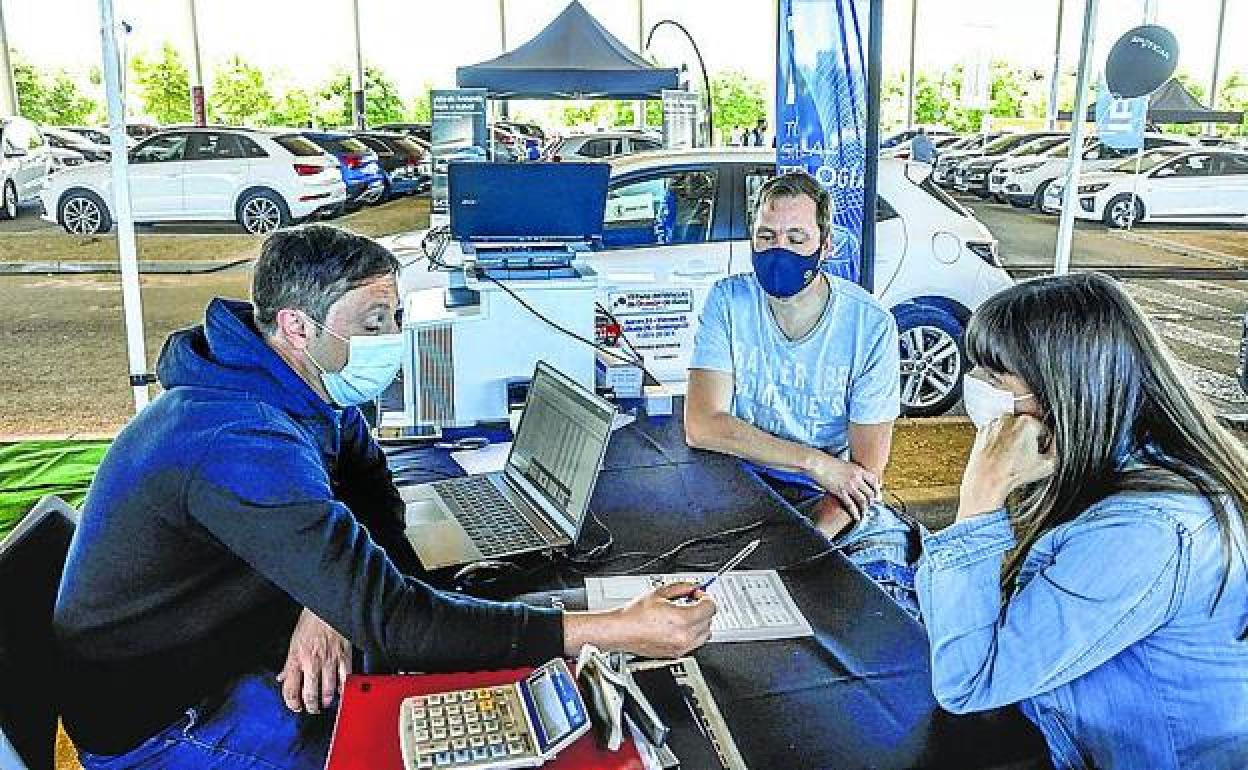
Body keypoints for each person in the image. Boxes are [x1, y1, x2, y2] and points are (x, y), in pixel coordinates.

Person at [53, 225, 716, 770]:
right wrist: (613, 631)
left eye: (395, 314)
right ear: (297, 325)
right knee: (410, 743)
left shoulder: (303, 386)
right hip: (168, 716)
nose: (393, 334)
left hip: (228, 645)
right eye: (375, 319)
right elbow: (394, 619)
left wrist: (330, 598)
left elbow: (372, 496)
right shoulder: (235, 435)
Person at [917, 272, 1248, 769]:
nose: (979, 391)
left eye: (996, 377)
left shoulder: (1145, 533)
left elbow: (970, 680)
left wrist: (980, 497)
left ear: (1068, 390)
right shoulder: (1104, 464)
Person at [684, 171, 921, 615]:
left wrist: (800, 543)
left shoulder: (868, 324)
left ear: (825, 245)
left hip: (825, 499)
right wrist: (814, 461)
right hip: (739, 484)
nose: (780, 250)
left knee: (881, 595)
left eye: (797, 237)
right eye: (767, 235)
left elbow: (864, 476)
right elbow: (701, 425)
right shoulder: (728, 301)